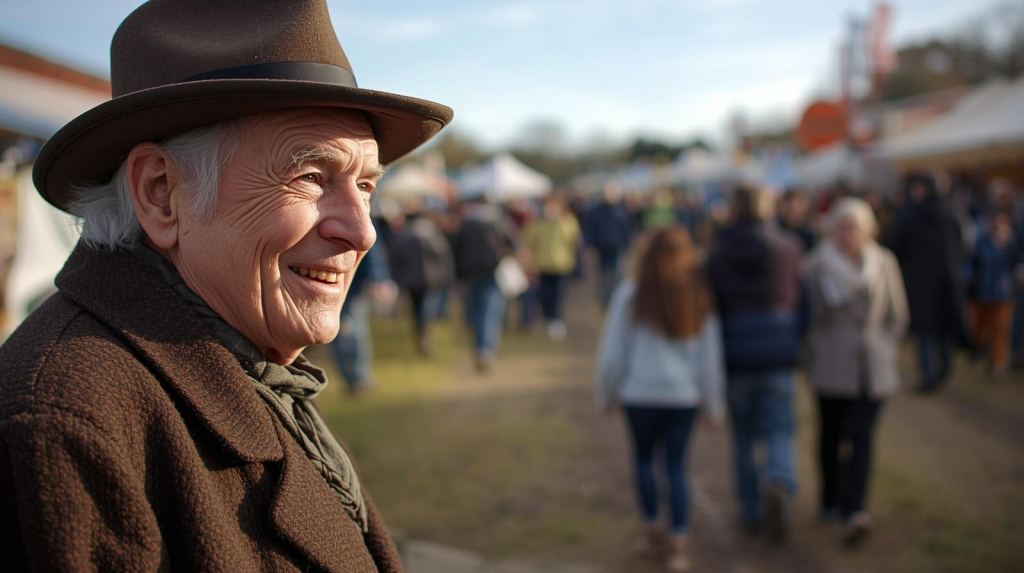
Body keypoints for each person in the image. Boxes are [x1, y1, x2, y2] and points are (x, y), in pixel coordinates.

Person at [0, 1, 452, 570]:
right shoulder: (67, 425)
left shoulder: (232, 359)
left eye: (365, 186)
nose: (362, 232)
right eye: (311, 176)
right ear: (161, 193)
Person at [596, 227, 725, 573]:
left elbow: (613, 354)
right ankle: (678, 537)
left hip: (639, 394)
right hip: (682, 396)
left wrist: (606, 393)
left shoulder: (630, 293)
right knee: (676, 466)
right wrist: (714, 403)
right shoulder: (697, 293)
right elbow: (709, 359)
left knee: (643, 460)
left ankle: (651, 525)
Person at [803, 198, 909, 548]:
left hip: (872, 367)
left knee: (861, 437)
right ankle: (830, 498)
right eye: (842, 227)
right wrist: (815, 350)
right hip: (831, 365)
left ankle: (855, 509)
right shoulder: (816, 266)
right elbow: (809, 318)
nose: (848, 234)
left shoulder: (883, 261)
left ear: (867, 231)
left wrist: (884, 346)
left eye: (854, 228)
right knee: (831, 436)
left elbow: (896, 315)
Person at [706, 184, 805, 544]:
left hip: (736, 355)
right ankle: (779, 479)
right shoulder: (788, 248)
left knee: (744, 434)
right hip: (778, 352)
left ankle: (750, 509)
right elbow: (803, 300)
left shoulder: (718, 254)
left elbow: (711, 306)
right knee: (780, 428)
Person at [886, 173, 968, 393]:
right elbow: (963, 247)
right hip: (947, 282)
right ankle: (942, 370)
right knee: (942, 329)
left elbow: (895, 245)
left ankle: (929, 374)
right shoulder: (952, 213)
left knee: (924, 332)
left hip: (920, 283)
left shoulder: (912, 214)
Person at [451, 196, 519, 371]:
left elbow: (455, 250)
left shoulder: (466, 223)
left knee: (475, 312)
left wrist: (458, 276)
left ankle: (480, 347)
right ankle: (485, 349)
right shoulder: (499, 221)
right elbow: (514, 244)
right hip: (493, 272)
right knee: (489, 312)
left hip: (470, 273)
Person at [330, 236, 397, 393]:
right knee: (351, 330)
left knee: (347, 329)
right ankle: (356, 378)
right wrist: (378, 278)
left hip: (351, 280)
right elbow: (370, 244)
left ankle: (355, 377)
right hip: (351, 281)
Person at [387, 205, 455, 357]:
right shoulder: (433, 235)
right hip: (431, 280)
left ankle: (420, 333)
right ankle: (424, 334)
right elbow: (444, 258)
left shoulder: (404, 235)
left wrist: (398, 279)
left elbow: (396, 260)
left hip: (411, 280)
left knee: (417, 309)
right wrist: (445, 277)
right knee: (426, 308)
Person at [968, 209, 1020, 377]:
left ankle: (996, 363)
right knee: (980, 328)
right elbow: (972, 265)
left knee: (1000, 329)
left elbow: (1015, 265)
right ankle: (977, 350)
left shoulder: (1011, 245)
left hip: (1002, 294)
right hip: (982, 293)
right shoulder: (981, 243)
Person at [523, 195, 582, 340]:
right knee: (544, 294)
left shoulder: (568, 222)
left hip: (562, 265)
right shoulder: (538, 224)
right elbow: (529, 242)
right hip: (542, 265)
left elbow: (575, 241)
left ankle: (556, 319)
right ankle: (547, 317)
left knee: (558, 294)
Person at [585, 182, 634, 307]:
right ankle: (605, 300)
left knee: (617, 274)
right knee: (603, 275)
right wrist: (590, 245)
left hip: (616, 247)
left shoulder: (622, 210)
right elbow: (590, 229)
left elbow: (627, 228)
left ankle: (616, 299)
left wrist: (626, 244)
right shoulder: (595, 212)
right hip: (601, 247)